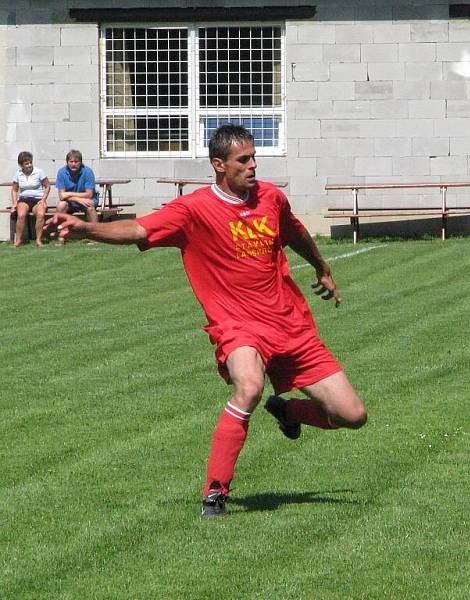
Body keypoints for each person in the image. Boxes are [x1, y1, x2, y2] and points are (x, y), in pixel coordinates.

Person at [46, 125, 368, 518]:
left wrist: (322, 267)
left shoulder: (271, 198)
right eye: (243, 160)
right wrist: (89, 228)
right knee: (248, 387)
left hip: (290, 323)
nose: (253, 166)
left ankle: (288, 411)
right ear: (219, 165)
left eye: (254, 157)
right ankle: (215, 492)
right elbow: (139, 229)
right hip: (238, 326)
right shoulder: (193, 209)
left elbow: (295, 233)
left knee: (352, 416)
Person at [55, 149, 99, 244]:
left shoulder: (87, 172)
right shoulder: (61, 172)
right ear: (67, 162)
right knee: (61, 205)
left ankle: (94, 237)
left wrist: (69, 194)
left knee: (90, 207)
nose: (73, 164)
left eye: (76, 161)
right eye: (71, 162)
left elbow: (89, 194)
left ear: (81, 162)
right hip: (72, 201)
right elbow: (62, 196)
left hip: (87, 200)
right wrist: (78, 199)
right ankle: (61, 237)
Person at [10, 151, 51, 247]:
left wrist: (43, 200)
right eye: (26, 163)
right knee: (21, 215)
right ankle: (18, 241)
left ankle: (38, 240)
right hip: (24, 199)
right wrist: (14, 203)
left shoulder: (39, 172)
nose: (29, 165)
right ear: (21, 165)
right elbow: (14, 190)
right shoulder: (18, 174)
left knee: (41, 214)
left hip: (38, 199)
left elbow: (47, 186)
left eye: (30, 162)